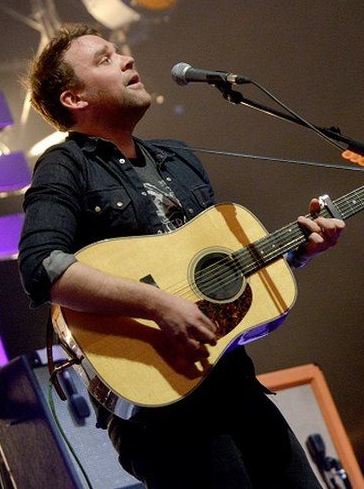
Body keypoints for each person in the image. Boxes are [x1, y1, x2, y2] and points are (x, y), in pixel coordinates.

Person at [18, 24, 344, 488]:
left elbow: (222, 275)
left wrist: (296, 253)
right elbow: (41, 265)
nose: (127, 59)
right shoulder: (66, 165)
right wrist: (157, 304)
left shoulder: (179, 158)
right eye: (105, 60)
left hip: (235, 387)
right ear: (74, 99)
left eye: (120, 52)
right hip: (163, 414)